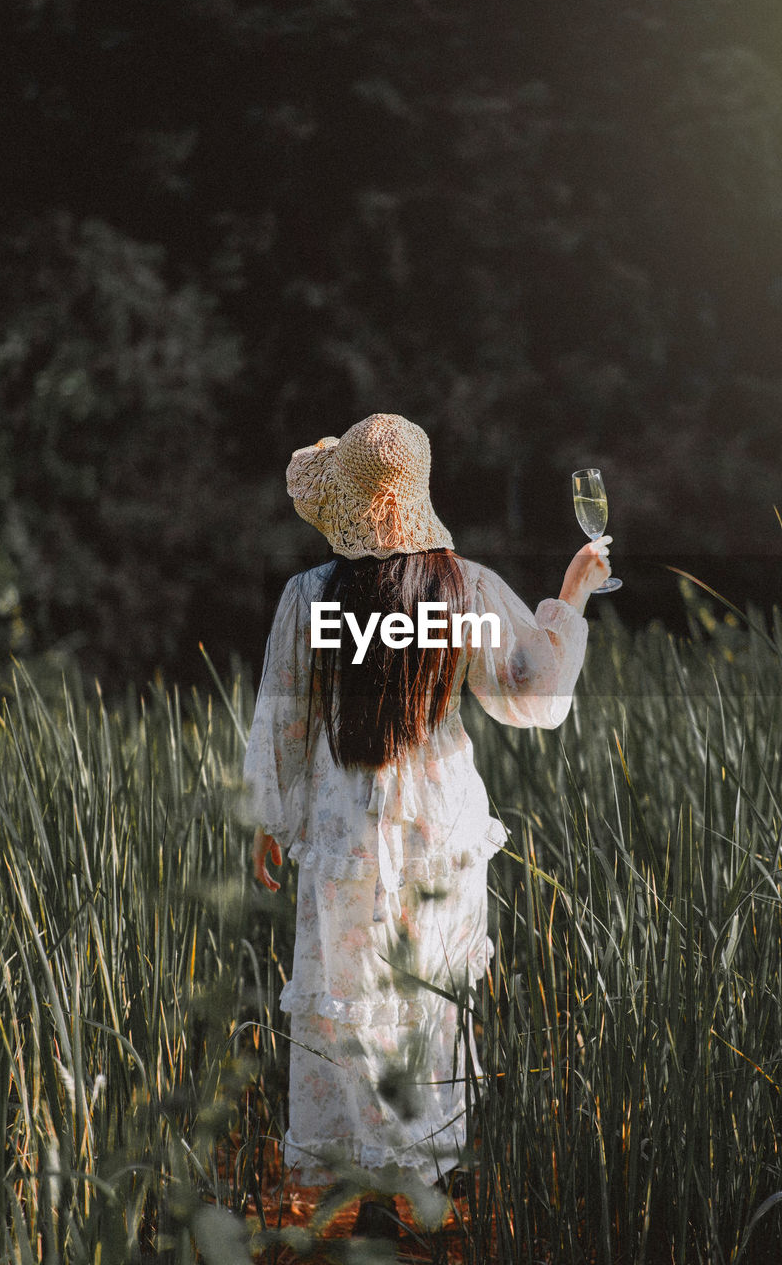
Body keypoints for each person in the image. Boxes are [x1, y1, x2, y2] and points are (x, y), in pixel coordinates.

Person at [243, 413, 611, 1238]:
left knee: (352, 997)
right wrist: (574, 596)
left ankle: (370, 1192)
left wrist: (273, 819)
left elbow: (285, 723)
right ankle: (428, 1186)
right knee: (429, 1001)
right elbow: (530, 694)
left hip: (346, 823)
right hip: (439, 822)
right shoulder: (464, 588)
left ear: (348, 507)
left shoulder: (311, 596)